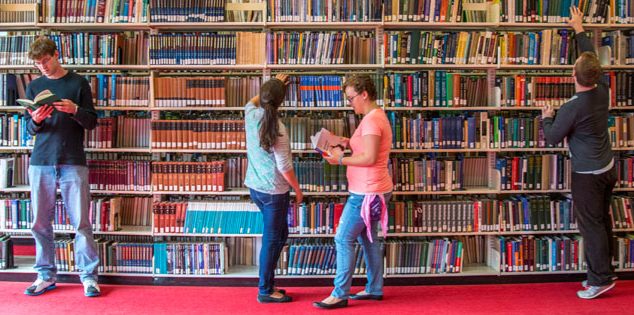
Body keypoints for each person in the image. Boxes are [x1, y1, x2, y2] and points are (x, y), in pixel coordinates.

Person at [542, 6, 617, 299]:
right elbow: (591, 61)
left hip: (587, 173)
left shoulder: (573, 107)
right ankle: (606, 271)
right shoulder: (603, 89)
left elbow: (552, 137)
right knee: (604, 219)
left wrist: (547, 115)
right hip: (607, 167)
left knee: (592, 225)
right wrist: (579, 29)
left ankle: (599, 279)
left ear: (574, 74)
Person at [23, 36, 100, 297]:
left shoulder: (78, 83)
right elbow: (30, 130)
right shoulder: (34, 87)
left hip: (72, 160)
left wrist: (74, 109)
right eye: (37, 64)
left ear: (57, 54)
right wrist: (35, 120)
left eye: (45, 61)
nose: (42, 67)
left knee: (81, 223)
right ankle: (45, 275)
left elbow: (91, 122)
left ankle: (88, 277)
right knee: (39, 223)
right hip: (41, 161)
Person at [313, 74, 393, 309]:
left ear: (364, 94)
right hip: (375, 188)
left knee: (343, 238)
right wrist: (348, 142)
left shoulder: (370, 120)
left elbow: (368, 157)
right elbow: (369, 148)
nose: (350, 103)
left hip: (366, 192)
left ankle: (340, 294)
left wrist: (340, 159)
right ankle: (375, 288)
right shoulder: (375, 116)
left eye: (351, 98)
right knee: (368, 239)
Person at [244, 73, 303, 303]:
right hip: (274, 193)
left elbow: (252, 101)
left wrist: (272, 87)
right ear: (281, 102)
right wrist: (298, 190)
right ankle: (265, 290)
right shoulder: (278, 128)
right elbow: (285, 166)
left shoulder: (250, 114)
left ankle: (267, 282)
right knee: (272, 239)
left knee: (280, 234)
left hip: (256, 189)